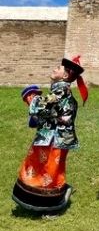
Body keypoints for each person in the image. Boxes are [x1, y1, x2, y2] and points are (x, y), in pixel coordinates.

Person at [12, 56, 88, 213]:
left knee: (47, 171)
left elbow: (41, 108)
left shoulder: (61, 91)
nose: (55, 69)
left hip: (53, 139)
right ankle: (50, 198)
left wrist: (31, 97)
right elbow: (52, 113)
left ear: (65, 76)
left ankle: (49, 205)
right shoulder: (61, 91)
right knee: (46, 170)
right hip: (54, 138)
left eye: (58, 68)